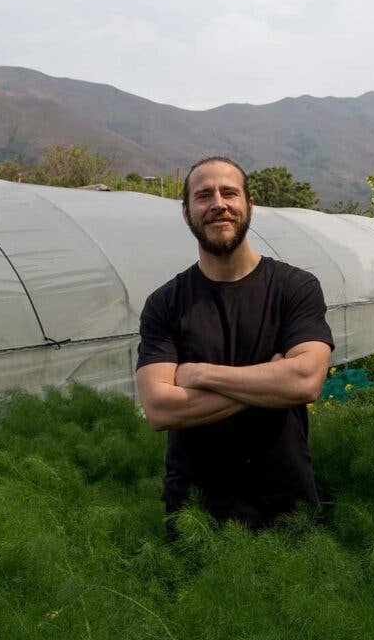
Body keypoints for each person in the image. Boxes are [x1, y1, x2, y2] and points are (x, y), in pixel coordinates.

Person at [135, 156, 334, 532]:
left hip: (284, 504)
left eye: (229, 193)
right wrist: (273, 381)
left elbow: (306, 381)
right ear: (186, 212)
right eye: (203, 195)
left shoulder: (294, 288)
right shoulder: (165, 303)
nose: (218, 204)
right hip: (195, 514)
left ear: (249, 206)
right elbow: (160, 408)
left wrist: (200, 374)